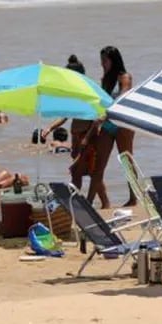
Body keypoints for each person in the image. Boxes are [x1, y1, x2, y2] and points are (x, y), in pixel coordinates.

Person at [82, 46, 137, 208]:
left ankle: (133, 197)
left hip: (122, 123)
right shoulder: (105, 79)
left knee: (126, 160)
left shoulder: (124, 77)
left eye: (105, 61)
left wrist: (105, 116)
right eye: (101, 61)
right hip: (107, 124)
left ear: (114, 60)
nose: (102, 64)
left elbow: (122, 96)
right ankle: (89, 201)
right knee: (99, 163)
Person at [40, 55, 94, 190]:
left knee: (86, 172)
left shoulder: (88, 92)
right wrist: (49, 128)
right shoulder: (74, 93)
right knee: (78, 173)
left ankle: (99, 202)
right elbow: (65, 115)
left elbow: (96, 117)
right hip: (76, 137)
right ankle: (80, 200)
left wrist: (87, 138)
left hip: (84, 136)